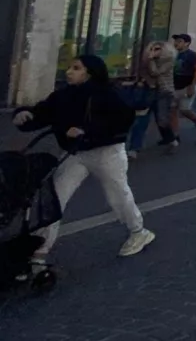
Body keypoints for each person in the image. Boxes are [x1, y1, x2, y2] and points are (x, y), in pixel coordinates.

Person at [12, 56, 156, 272]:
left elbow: (123, 121)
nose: (69, 71)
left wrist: (88, 131)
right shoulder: (63, 95)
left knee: (118, 195)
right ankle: (40, 252)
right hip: (75, 153)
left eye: (76, 68)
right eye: (70, 67)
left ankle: (139, 232)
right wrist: (24, 115)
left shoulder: (108, 94)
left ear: (89, 73)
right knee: (55, 200)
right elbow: (43, 112)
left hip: (106, 153)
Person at [170, 34, 196, 144]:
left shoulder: (191, 55)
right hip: (174, 86)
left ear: (187, 43)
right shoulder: (173, 54)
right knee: (172, 110)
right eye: (176, 41)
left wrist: (192, 86)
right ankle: (175, 135)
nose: (176, 43)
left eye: (179, 41)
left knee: (184, 109)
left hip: (187, 85)